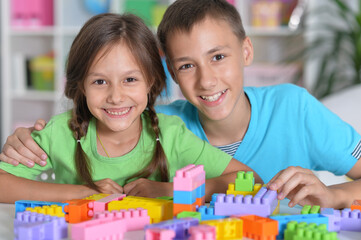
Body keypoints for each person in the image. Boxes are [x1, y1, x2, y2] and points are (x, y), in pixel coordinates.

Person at [1, 0, 361, 209]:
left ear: (246, 51)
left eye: (218, 56)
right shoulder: (157, 123)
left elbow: (245, 179)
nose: (206, 80)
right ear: (169, 72)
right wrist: (25, 141)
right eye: (186, 65)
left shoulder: (294, 108)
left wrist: (334, 195)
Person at [0, 13, 262, 204]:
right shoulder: (60, 132)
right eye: (100, 81)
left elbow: (250, 180)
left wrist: (171, 190)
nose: (116, 96)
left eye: (130, 80)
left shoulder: (171, 134)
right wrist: (80, 193)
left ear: (150, 82)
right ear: (81, 85)